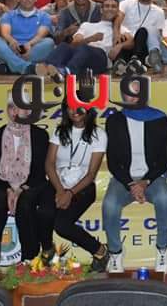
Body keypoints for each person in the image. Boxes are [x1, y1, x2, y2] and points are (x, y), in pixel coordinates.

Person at [102, 87, 167, 273]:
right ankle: (115, 252)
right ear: (123, 95)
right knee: (109, 205)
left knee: (165, 199)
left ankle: (162, 249)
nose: (133, 97)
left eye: (138, 92)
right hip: (124, 178)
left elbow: (165, 158)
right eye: (129, 92)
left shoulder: (159, 118)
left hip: (152, 177)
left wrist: (145, 181)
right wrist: (131, 184)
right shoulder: (114, 120)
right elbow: (113, 160)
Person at [0, 94, 52, 267]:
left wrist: (19, 189)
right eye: (11, 107)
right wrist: (8, 190)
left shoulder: (40, 135)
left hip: (32, 183)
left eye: (19, 107)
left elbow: (39, 171)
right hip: (4, 182)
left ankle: (30, 256)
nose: (15, 112)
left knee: (25, 204)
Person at [42, 99, 110, 273]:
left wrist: (70, 194)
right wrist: (60, 190)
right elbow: (49, 164)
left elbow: (91, 174)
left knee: (62, 225)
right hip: (57, 182)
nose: (75, 111)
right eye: (70, 108)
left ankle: (100, 251)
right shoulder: (59, 131)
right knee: (44, 213)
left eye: (79, 107)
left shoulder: (99, 134)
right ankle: (48, 251)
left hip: (83, 187)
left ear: (88, 109)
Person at [40, 0, 124, 77]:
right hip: (81, 57)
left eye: (113, 7)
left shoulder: (120, 28)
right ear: (101, 10)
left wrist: (120, 45)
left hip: (101, 59)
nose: (110, 9)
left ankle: (67, 71)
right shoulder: (86, 25)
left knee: (84, 48)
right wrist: (90, 39)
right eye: (107, 6)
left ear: (118, 11)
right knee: (64, 46)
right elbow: (74, 44)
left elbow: (130, 42)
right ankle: (48, 68)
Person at [0, 0, 55, 74]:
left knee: (49, 42)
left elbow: (40, 35)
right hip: (12, 49)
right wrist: (12, 41)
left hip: (33, 49)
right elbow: (5, 33)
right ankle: (26, 67)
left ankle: (10, 66)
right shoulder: (8, 15)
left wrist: (29, 44)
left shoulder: (44, 16)